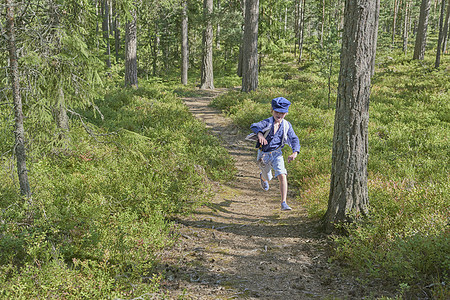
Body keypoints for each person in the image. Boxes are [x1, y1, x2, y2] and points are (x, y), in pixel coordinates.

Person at [250, 97, 300, 211]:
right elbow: (254, 125)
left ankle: (284, 203)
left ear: (286, 113)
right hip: (264, 154)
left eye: (282, 113)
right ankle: (263, 178)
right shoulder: (267, 122)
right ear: (272, 111)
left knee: (282, 175)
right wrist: (260, 134)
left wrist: (295, 152)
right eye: (277, 112)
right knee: (268, 177)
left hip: (277, 154)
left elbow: (294, 138)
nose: (279, 115)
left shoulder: (287, 125)